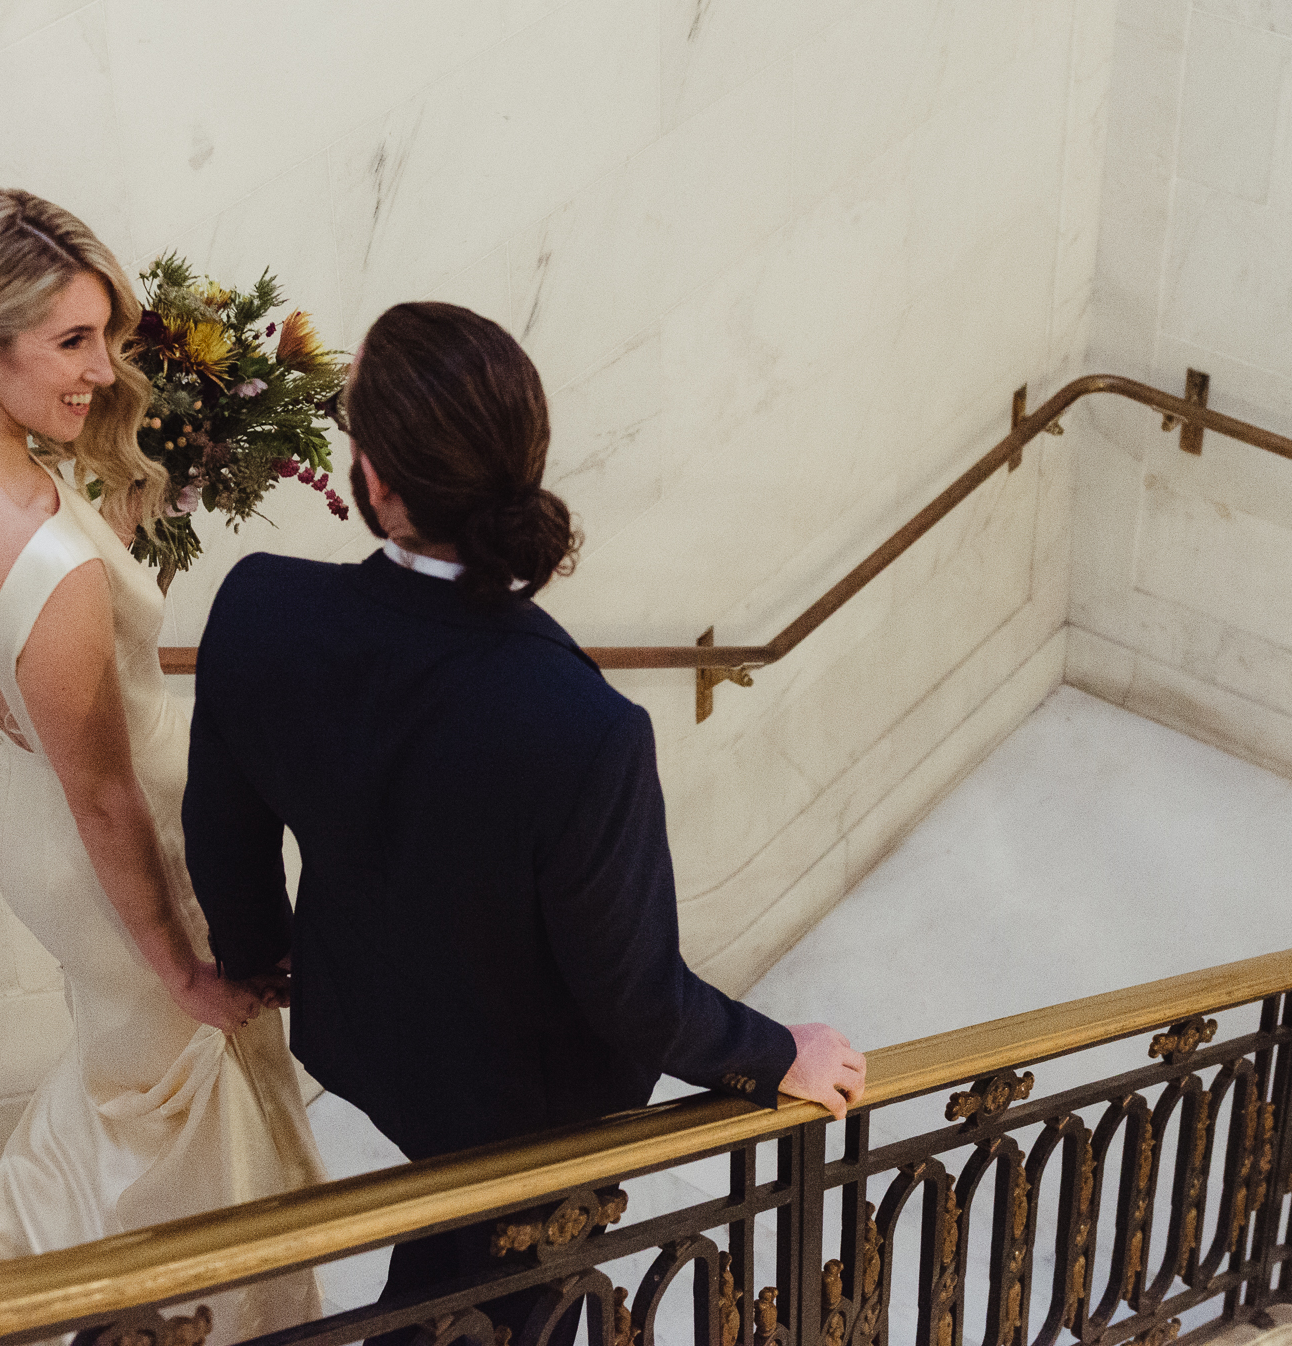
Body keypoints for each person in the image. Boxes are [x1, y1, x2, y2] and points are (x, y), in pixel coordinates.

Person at [182, 301, 868, 1343]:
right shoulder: (583, 728)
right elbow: (632, 993)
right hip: (529, 1110)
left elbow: (223, 832)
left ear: (372, 480)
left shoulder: (259, 610)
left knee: (447, 1251)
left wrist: (262, 957)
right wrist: (775, 1053)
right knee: (508, 1298)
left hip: (367, 1036)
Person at [0, 190, 323, 1331]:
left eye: (105, 332)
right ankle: (220, 1308)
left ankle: (31, 1267)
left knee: (128, 1069)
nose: (103, 367)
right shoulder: (51, 562)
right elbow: (103, 795)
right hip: (111, 840)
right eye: (72, 342)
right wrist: (185, 967)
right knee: (184, 1071)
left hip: (11, 800)